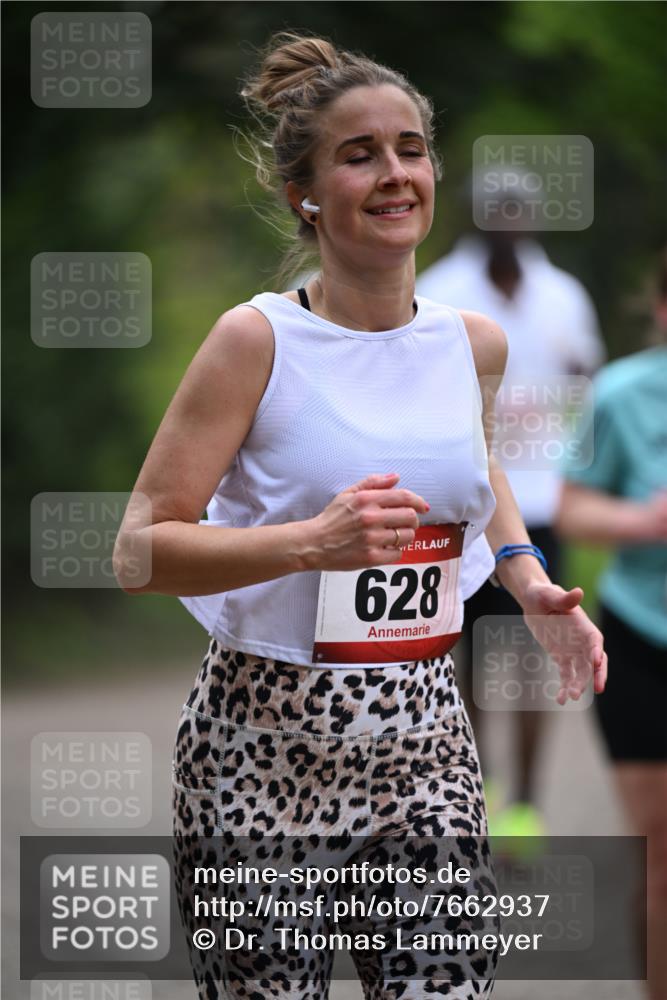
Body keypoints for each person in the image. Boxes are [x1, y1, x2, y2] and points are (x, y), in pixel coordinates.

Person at [113, 32, 607, 1000]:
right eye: (359, 153)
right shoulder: (255, 341)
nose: (395, 174)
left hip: (423, 739)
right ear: (306, 192)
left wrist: (525, 575)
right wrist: (311, 544)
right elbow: (139, 550)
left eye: (411, 148)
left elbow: (479, 464)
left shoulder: (472, 343)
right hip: (259, 751)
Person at [416, 194, 605, 836]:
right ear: (477, 218)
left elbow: (588, 382)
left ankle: (525, 802)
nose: (507, 222)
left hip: (539, 499)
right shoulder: (441, 290)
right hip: (463, 503)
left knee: (530, 658)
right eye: (495, 211)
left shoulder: (563, 295)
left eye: (517, 210)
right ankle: (478, 784)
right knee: (462, 660)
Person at [555, 252, 667, 1000]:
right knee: (662, 852)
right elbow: (570, 509)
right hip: (639, 640)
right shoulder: (622, 392)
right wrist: (643, 519)